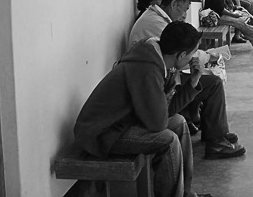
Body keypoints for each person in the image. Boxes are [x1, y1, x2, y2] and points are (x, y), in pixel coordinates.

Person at [73, 21, 212, 197]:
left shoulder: (156, 58)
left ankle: (185, 193)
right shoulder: (147, 68)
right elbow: (158, 123)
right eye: (193, 53)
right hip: (102, 133)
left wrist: (192, 83)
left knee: (179, 122)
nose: (194, 59)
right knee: (168, 140)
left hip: (122, 123)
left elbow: (165, 113)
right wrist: (169, 89)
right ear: (181, 54)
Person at [129, 0, 245, 160]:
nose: (184, 16)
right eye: (183, 10)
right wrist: (208, 56)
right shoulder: (155, 23)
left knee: (202, 78)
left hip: (159, 78)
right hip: (148, 88)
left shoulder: (159, 18)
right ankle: (216, 141)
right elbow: (182, 56)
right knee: (212, 83)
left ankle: (216, 132)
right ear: (174, 4)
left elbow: (181, 55)